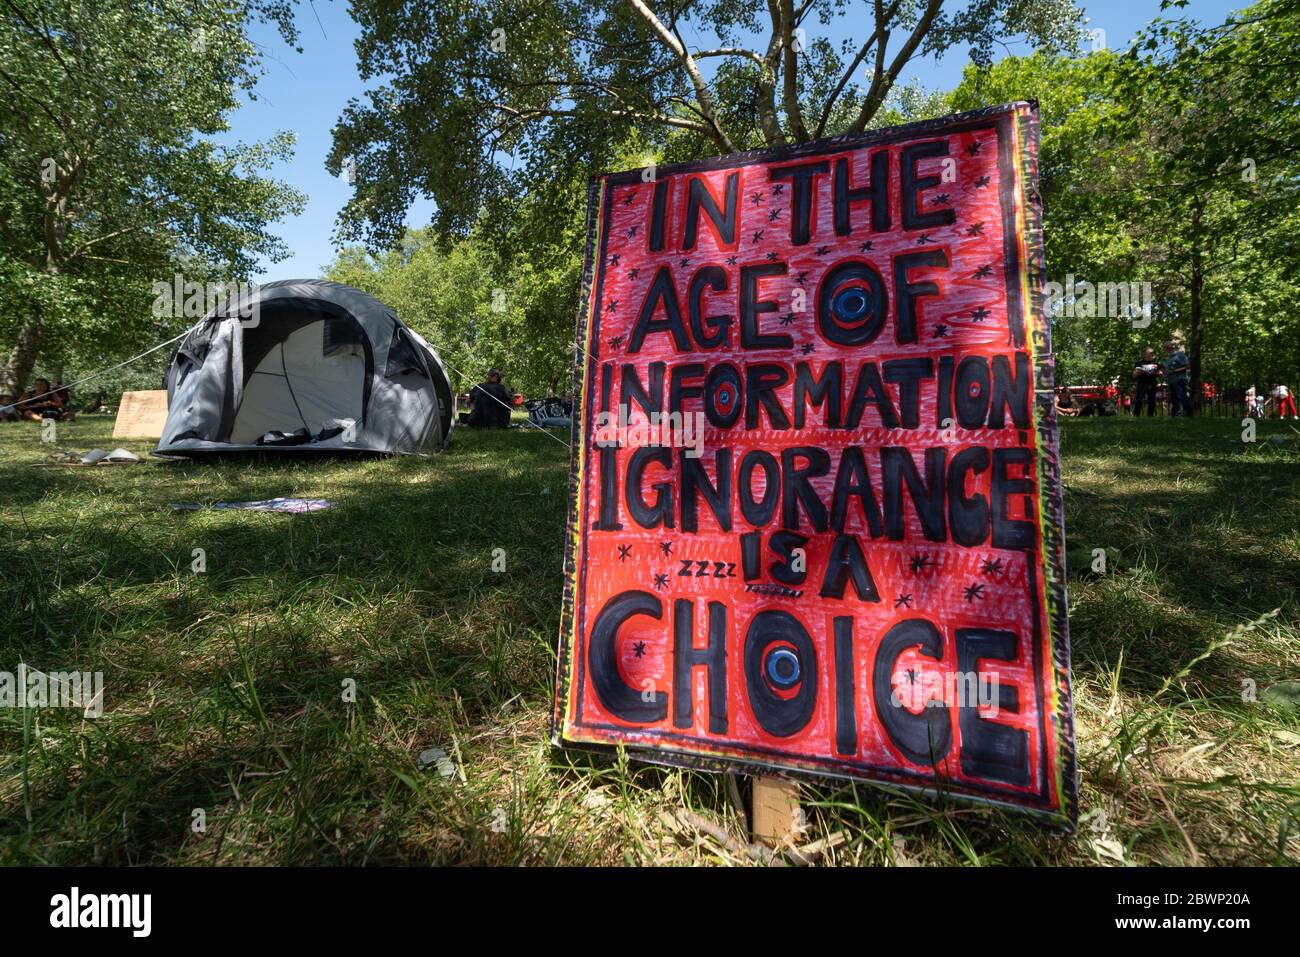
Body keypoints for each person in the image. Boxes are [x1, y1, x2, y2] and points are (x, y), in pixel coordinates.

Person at [1163, 340, 1193, 417]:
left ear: (1170, 347)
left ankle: (1189, 414)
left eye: (1165, 346)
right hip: (1171, 381)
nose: (1164, 348)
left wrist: (1174, 371)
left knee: (1181, 396)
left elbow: (1188, 366)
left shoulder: (1180, 355)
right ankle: (1175, 415)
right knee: (1174, 398)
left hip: (1179, 380)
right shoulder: (1169, 357)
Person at [1132, 347, 1160, 417]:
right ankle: (1136, 415)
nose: (1152, 354)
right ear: (1145, 353)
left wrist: (1155, 373)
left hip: (1152, 383)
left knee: (1152, 400)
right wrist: (1140, 371)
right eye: (1150, 353)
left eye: (1153, 352)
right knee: (1139, 399)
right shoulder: (1139, 363)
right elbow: (1134, 375)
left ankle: (1150, 415)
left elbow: (1161, 373)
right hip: (1141, 383)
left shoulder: (1156, 363)